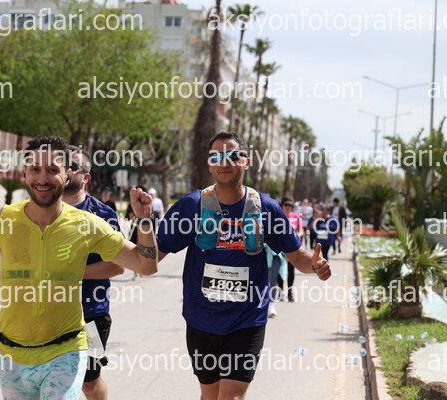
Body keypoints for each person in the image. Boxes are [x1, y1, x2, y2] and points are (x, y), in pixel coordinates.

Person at [0, 135, 159, 400]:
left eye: (52, 169)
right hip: (12, 356)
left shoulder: (86, 223)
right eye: (35, 169)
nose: (43, 178)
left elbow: (145, 265)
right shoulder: (3, 219)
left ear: (67, 174)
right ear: (25, 174)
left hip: (66, 351)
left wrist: (145, 222)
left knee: (89, 383)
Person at [156, 132, 331, 400]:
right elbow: (152, 255)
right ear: (209, 164)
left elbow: (297, 255)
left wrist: (315, 265)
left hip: (247, 319)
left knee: (232, 396)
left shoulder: (266, 208)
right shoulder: (192, 206)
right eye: (216, 157)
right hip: (202, 318)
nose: (224, 162)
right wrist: (140, 226)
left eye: (233, 155)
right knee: (210, 395)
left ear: (246, 162)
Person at [62, 146, 123, 400]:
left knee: (89, 382)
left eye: (73, 166)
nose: (65, 170)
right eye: (61, 164)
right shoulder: (40, 211)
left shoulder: (103, 214)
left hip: (90, 314)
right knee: (53, 379)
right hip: (47, 310)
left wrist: (71, 274)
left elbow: (117, 265)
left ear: (85, 177)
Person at [278, 197, 304, 302]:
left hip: (292, 248)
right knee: (280, 270)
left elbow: (301, 231)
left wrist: (297, 235)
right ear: (282, 206)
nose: (288, 207)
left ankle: (289, 293)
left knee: (291, 270)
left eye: (290, 205)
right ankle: (280, 292)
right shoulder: (278, 216)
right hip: (280, 248)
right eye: (286, 205)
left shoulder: (296, 217)